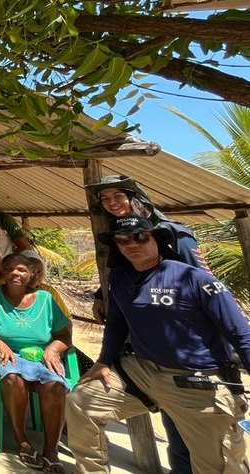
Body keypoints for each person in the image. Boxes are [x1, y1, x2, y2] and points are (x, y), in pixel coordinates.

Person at [66, 216, 250, 474]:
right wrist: (103, 361)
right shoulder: (119, 278)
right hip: (142, 371)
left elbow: (241, 334)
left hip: (195, 382)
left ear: (158, 240)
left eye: (140, 236)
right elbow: (118, 324)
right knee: (81, 402)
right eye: (122, 239)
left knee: (219, 466)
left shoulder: (194, 279)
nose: (131, 243)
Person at [84, 175, 203, 472]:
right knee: (170, 417)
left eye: (117, 196)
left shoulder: (174, 233)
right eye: (105, 199)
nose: (111, 204)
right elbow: (123, 272)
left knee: (193, 427)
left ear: (135, 197)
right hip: (144, 340)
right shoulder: (117, 233)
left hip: (184, 342)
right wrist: (103, 295)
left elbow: (202, 285)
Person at [0, 251, 71, 473]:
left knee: (55, 386)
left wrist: (53, 349)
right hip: (9, 356)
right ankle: (23, 442)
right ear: (3, 273)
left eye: (22, 270)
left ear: (32, 274)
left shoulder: (45, 299)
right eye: (9, 269)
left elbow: (64, 334)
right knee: (13, 378)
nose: (15, 273)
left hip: (42, 355)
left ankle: (51, 450)